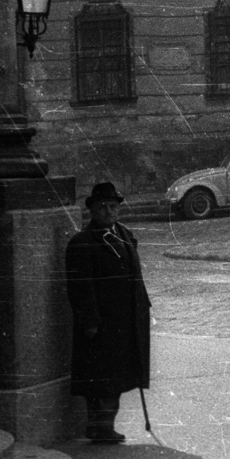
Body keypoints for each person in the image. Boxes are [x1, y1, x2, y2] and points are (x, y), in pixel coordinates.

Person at [66, 181, 151, 444]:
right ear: (92, 210)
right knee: (102, 379)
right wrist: (90, 321)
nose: (109, 212)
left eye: (113, 207)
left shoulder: (123, 234)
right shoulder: (82, 243)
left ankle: (101, 426)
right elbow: (81, 287)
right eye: (103, 207)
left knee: (116, 377)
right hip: (102, 324)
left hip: (127, 320)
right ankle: (100, 427)